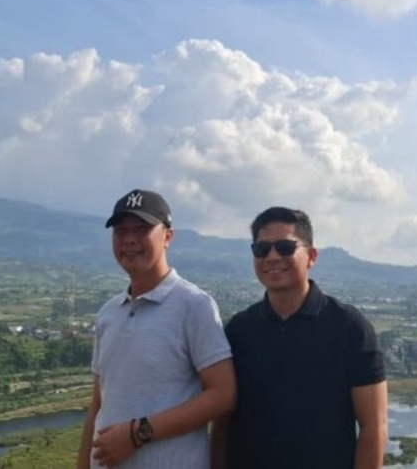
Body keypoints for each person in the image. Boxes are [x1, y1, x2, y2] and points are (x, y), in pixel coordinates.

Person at [210, 206, 388, 469]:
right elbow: (222, 422)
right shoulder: (239, 330)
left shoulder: (349, 328)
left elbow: (374, 427)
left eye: (285, 247)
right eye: (261, 249)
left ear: (311, 256)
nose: (271, 257)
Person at [77, 188, 236, 469]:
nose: (129, 240)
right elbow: (99, 405)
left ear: (168, 237)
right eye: (120, 231)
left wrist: (138, 433)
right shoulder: (108, 314)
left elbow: (223, 394)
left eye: (142, 229)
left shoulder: (194, 305)